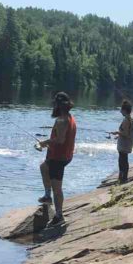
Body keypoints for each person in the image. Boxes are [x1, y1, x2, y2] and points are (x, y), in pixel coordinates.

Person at [36, 91, 77, 226]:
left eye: (55, 104)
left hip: (58, 158)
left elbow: (60, 140)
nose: (54, 106)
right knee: (43, 167)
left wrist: (45, 142)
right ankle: (47, 196)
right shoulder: (70, 117)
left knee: (57, 188)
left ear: (59, 105)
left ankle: (59, 216)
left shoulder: (61, 120)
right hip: (65, 155)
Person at [113, 98, 133, 184]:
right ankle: (123, 177)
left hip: (124, 145)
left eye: (121, 110)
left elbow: (125, 133)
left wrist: (117, 132)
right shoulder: (132, 119)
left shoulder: (127, 120)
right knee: (124, 160)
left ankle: (123, 178)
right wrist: (118, 135)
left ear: (125, 110)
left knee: (122, 160)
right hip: (127, 143)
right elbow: (127, 132)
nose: (120, 112)